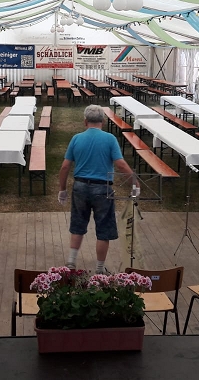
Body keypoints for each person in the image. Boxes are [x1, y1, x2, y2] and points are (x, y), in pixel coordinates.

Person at [58, 105, 139, 274]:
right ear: (103, 121)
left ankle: (71, 262)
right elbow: (120, 164)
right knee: (103, 229)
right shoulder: (110, 139)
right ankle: (100, 270)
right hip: (103, 188)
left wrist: (62, 190)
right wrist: (135, 183)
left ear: (85, 121)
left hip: (80, 187)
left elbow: (65, 167)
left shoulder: (76, 138)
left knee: (77, 224)